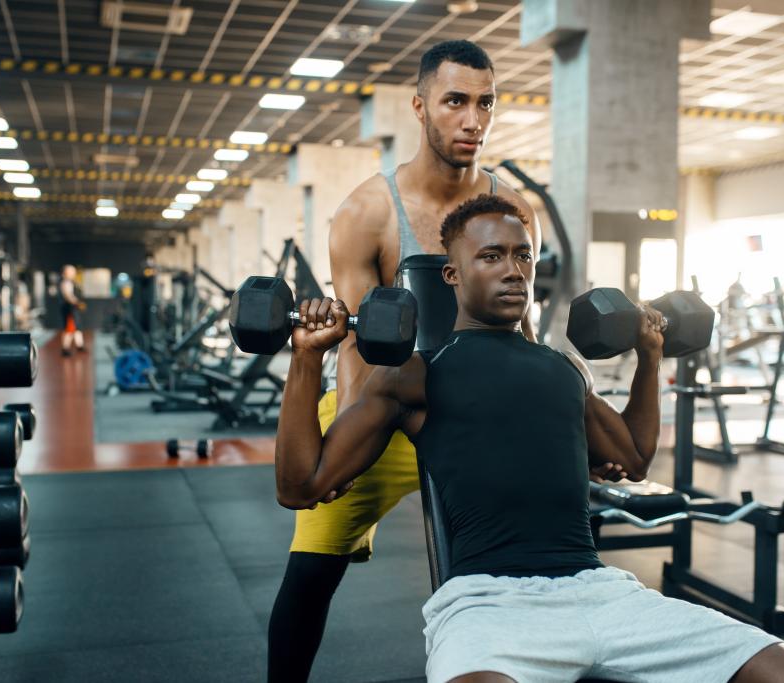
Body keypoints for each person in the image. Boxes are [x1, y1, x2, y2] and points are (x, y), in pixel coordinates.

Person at [274, 194, 784, 683]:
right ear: (452, 274)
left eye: (522, 256)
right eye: (491, 257)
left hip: (604, 593)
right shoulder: (413, 374)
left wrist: (649, 358)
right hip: (487, 607)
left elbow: (630, 458)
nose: (513, 270)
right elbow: (301, 485)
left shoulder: (562, 370)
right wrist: (306, 360)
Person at [267, 39, 550, 681]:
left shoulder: (514, 210)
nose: (472, 120)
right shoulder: (367, 213)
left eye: (485, 104)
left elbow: (521, 326)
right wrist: (353, 441)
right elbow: (367, 348)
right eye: (455, 101)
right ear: (420, 107)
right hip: (388, 406)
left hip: (479, 413)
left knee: (521, 566)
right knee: (311, 569)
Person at [59, 265, 86, 356]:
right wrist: (77, 303)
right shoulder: (66, 282)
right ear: (66, 272)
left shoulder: (72, 282)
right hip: (69, 309)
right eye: (72, 271)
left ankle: (80, 346)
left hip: (73, 308)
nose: (74, 273)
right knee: (70, 328)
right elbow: (68, 295)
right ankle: (65, 348)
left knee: (77, 328)